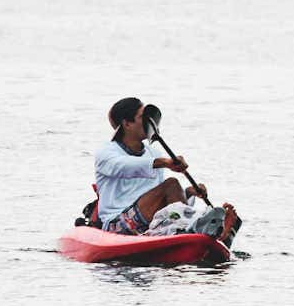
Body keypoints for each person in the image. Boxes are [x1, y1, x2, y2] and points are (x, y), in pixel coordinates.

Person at [95, 97, 238, 242]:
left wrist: (188, 193)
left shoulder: (154, 153)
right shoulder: (106, 152)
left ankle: (206, 230)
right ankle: (199, 228)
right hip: (117, 224)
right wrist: (164, 162)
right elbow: (125, 166)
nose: (149, 120)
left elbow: (163, 199)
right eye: (142, 117)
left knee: (173, 187)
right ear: (127, 124)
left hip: (149, 220)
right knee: (171, 184)